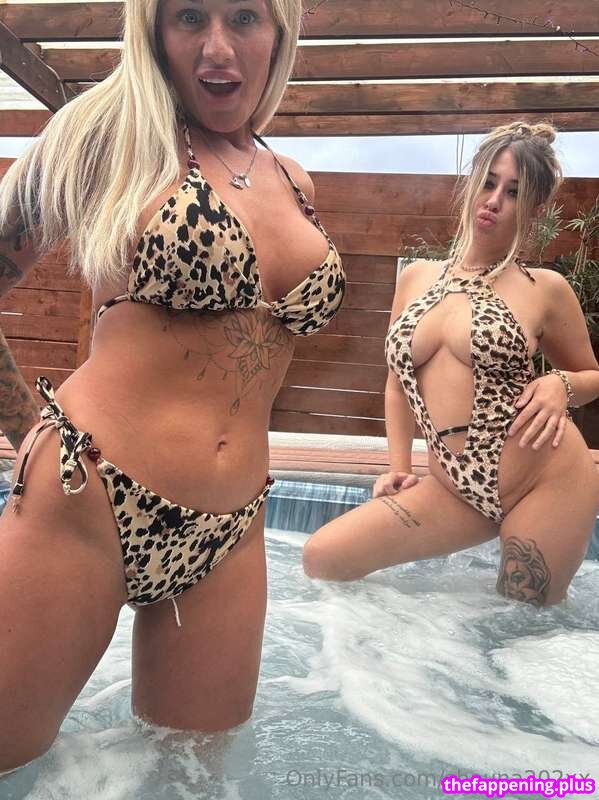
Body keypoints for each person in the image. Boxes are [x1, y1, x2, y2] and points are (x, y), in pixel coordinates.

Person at [0, 0, 345, 773]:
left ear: (278, 32)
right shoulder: (107, 136)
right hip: (88, 502)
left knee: (191, 777)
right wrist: (30, 431)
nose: (217, 46)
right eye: (189, 17)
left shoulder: (292, 179)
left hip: (231, 532)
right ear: (152, 31)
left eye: (243, 18)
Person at [303, 121, 599, 609]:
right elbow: (397, 382)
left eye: (513, 192)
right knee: (325, 558)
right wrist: (398, 467)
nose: (494, 201)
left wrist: (559, 385)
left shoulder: (544, 289)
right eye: (488, 182)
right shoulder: (416, 278)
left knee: (520, 626)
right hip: (453, 490)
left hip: (547, 481)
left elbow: (592, 376)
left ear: (534, 209)